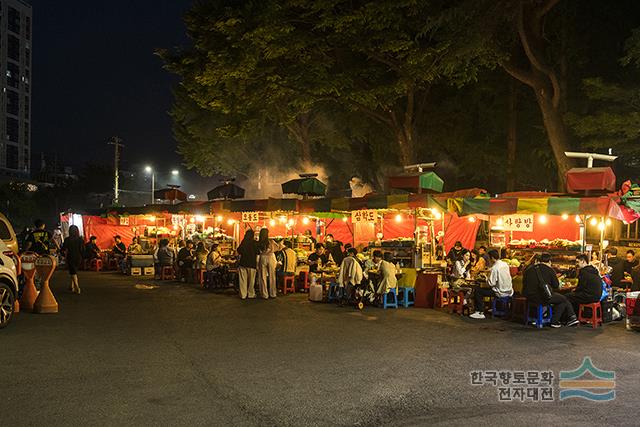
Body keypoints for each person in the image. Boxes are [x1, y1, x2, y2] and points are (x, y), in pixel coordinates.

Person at [522, 253, 578, 327]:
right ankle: (554, 321)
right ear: (549, 262)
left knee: (557, 298)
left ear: (538, 260)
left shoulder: (529, 269)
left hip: (529, 296)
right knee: (563, 299)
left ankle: (540, 316)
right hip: (542, 297)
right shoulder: (549, 270)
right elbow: (556, 286)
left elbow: (524, 282)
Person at [470, 249, 514, 320]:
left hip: (500, 292)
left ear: (492, 258)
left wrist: (486, 277)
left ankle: (480, 312)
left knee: (478, 290)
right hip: (509, 291)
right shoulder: (505, 264)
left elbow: (491, 283)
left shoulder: (495, 268)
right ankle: (494, 308)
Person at [257, 228, 285, 299]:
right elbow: (279, 247)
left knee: (262, 276)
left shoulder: (259, 242)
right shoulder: (271, 241)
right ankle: (272, 293)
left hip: (262, 257)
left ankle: (264, 294)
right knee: (272, 276)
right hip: (271, 257)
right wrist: (281, 243)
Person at [61, 225, 84, 294]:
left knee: (73, 272)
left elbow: (64, 249)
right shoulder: (80, 239)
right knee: (73, 271)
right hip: (78, 257)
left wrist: (62, 254)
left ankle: (77, 288)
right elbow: (82, 249)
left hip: (71, 256)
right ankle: (71, 286)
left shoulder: (67, 239)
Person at [237, 230, 258, 299]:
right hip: (252, 263)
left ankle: (243, 294)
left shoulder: (243, 242)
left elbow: (239, 250)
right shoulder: (254, 243)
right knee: (251, 281)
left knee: (243, 280)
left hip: (243, 263)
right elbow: (258, 252)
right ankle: (251, 294)